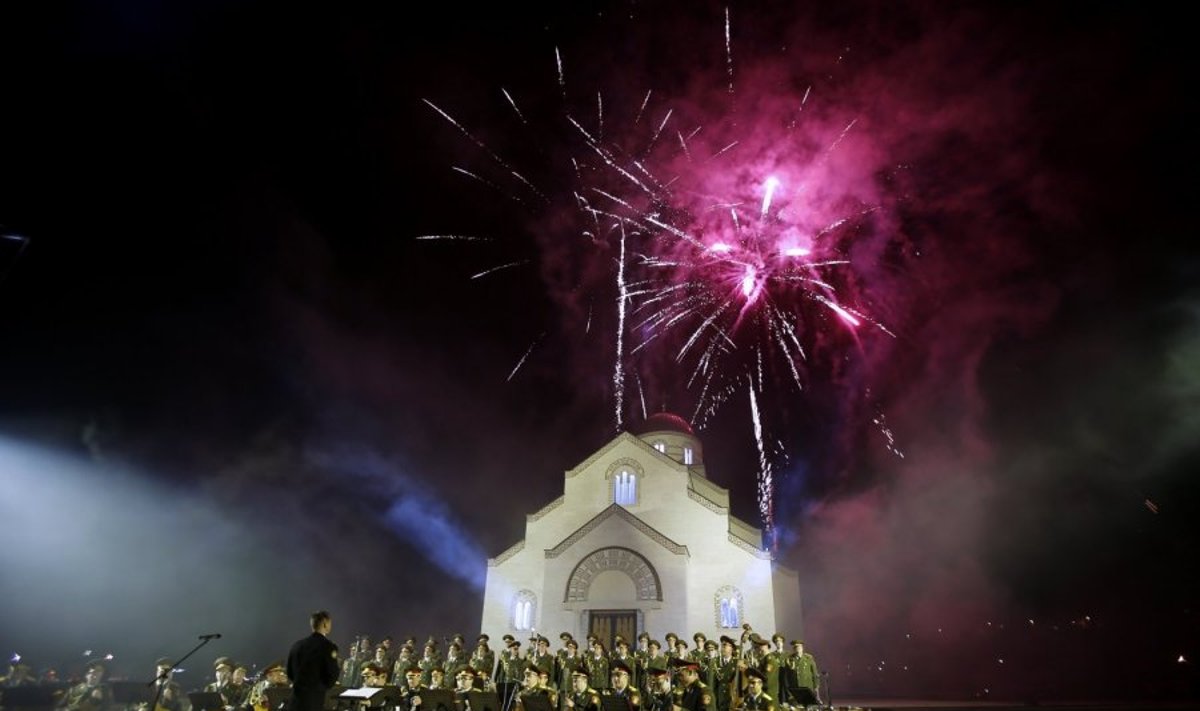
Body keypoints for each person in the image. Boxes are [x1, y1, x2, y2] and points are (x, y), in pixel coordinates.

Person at [286, 611, 340, 711]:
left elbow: (289, 672)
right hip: (314, 702)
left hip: (294, 702)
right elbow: (332, 674)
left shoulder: (297, 645)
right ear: (325, 624)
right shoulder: (328, 646)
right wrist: (320, 687)